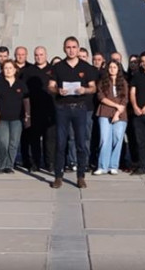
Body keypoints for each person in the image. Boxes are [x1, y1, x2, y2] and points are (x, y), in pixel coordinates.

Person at [48, 36, 97, 189]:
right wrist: (58, 91)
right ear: (64, 49)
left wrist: (85, 90)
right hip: (62, 108)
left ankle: (81, 176)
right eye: (68, 47)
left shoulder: (86, 67)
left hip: (80, 108)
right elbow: (50, 86)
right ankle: (58, 176)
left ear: (78, 48)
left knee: (81, 143)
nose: (71, 50)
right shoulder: (58, 67)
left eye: (74, 47)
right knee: (61, 143)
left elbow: (93, 88)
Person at [0, 60, 31, 173]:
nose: (8, 70)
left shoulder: (21, 84)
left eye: (10, 68)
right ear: (2, 70)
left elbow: (26, 101)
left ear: (15, 70)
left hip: (17, 119)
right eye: (6, 68)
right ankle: (1, 165)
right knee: (3, 142)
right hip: (1, 118)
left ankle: (9, 165)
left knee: (14, 143)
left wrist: (27, 115)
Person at [94, 60, 129, 175]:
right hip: (105, 112)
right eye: (110, 67)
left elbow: (125, 99)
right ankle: (102, 166)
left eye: (114, 67)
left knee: (117, 139)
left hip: (120, 114)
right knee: (105, 139)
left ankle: (113, 165)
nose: (112, 69)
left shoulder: (123, 82)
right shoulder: (102, 82)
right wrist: (116, 105)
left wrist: (117, 113)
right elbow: (101, 97)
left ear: (118, 69)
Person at [29, 46, 56, 172]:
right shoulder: (29, 71)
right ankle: (35, 163)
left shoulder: (53, 70)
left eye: (41, 54)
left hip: (50, 110)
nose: (39, 57)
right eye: (36, 55)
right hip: (34, 110)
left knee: (50, 139)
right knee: (34, 139)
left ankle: (50, 163)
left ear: (46, 55)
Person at [15, 46, 41, 172]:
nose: (20, 56)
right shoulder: (10, 67)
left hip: (28, 104)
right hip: (15, 104)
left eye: (23, 54)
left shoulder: (31, 69)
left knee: (27, 134)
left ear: (26, 55)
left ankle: (28, 160)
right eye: (18, 54)